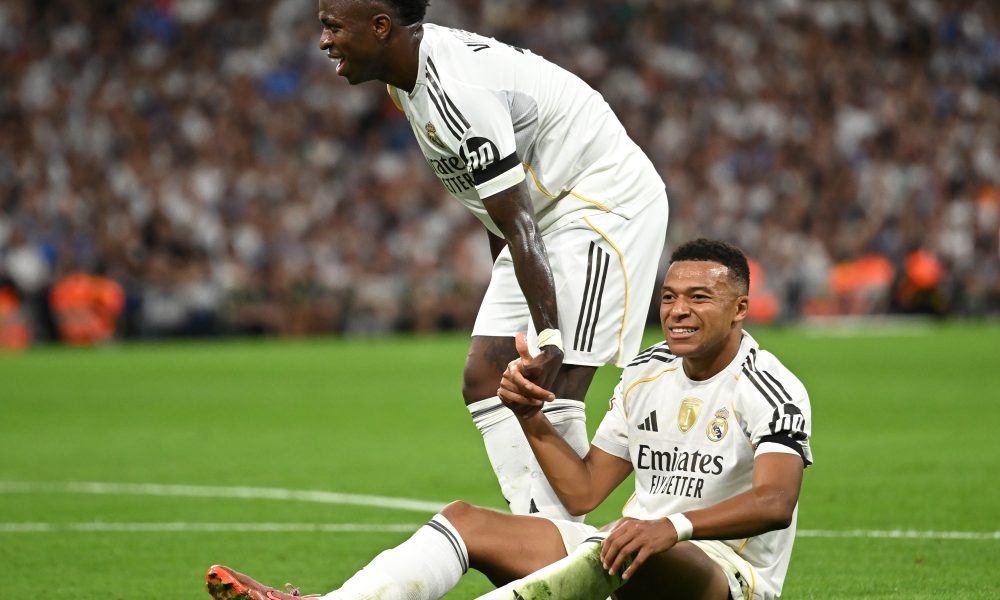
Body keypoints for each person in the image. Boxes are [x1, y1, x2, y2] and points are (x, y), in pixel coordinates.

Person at [205, 238, 813, 600]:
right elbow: (584, 490)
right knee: (465, 520)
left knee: (629, 547)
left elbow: (775, 502)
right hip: (623, 555)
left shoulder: (771, 387)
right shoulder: (647, 372)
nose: (678, 311)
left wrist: (671, 528)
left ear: (740, 307)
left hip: (721, 577)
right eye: (670, 297)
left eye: (699, 298)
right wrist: (530, 419)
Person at [317, 0, 670, 520]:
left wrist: (548, 335)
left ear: (381, 27)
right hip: (540, 218)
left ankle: (551, 542)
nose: (324, 41)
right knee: (487, 376)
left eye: (332, 27)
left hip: (601, 206)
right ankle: (537, 530)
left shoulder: (457, 93)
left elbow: (516, 219)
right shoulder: (405, 83)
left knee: (550, 386)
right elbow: (494, 205)